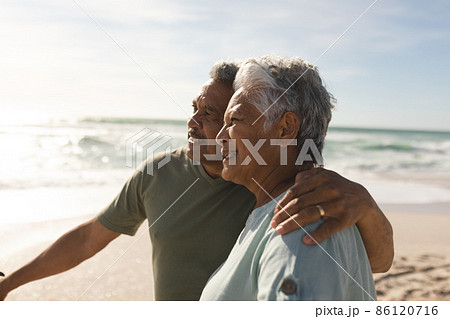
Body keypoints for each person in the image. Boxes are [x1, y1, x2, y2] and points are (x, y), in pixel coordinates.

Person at [0, 60, 392, 301]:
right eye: (194, 109)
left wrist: (367, 206)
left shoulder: (271, 186)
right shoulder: (158, 173)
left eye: (219, 115)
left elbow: (369, 259)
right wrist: (9, 284)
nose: (194, 122)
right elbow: (89, 238)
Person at [201, 56, 376, 301]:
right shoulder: (275, 211)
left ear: (285, 128)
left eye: (234, 121)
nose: (220, 136)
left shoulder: (301, 221)